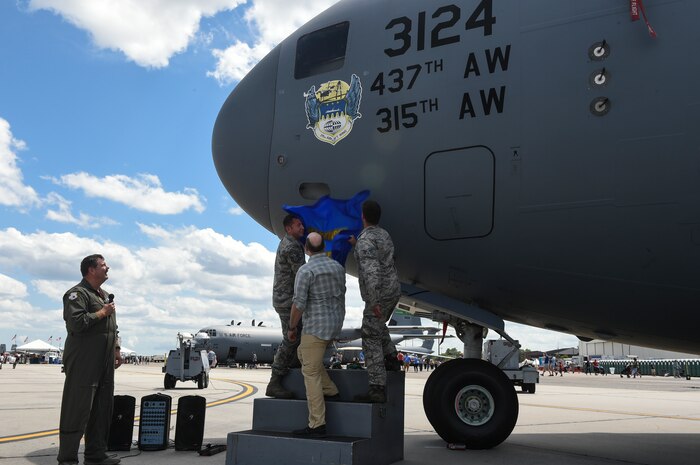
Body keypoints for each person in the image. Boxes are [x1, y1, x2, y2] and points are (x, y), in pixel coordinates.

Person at [57, 254, 122, 465]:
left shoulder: (102, 295)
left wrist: (117, 349)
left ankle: (95, 455)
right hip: (84, 361)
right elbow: (76, 323)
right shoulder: (77, 294)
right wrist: (102, 313)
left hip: (104, 361)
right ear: (91, 270)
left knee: (102, 409)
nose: (107, 268)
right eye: (103, 265)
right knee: (76, 410)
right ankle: (67, 459)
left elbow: (113, 327)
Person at [288, 233, 346, 437]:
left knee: (310, 373)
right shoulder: (337, 267)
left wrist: (292, 327)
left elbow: (299, 304)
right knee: (306, 357)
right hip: (335, 324)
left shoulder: (306, 270)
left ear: (306, 248)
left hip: (316, 327)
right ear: (323, 247)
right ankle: (331, 391)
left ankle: (317, 424)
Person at [350, 200, 402, 403]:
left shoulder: (366, 240)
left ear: (362, 217)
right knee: (378, 327)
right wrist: (357, 246)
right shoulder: (383, 235)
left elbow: (371, 272)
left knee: (370, 335)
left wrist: (373, 302)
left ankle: (377, 388)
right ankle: (391, 359)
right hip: (392, 289)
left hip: (379, 293)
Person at [266, 214, 306, 399]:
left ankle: (295, 369)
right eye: (298, 225)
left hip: (284, 299)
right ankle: (275, 381)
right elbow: (302, 275)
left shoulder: (287, 242)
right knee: (291, 338)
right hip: (288, 301)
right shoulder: (292, 247)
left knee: (296, 337)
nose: (302, 227)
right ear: (289, 228)